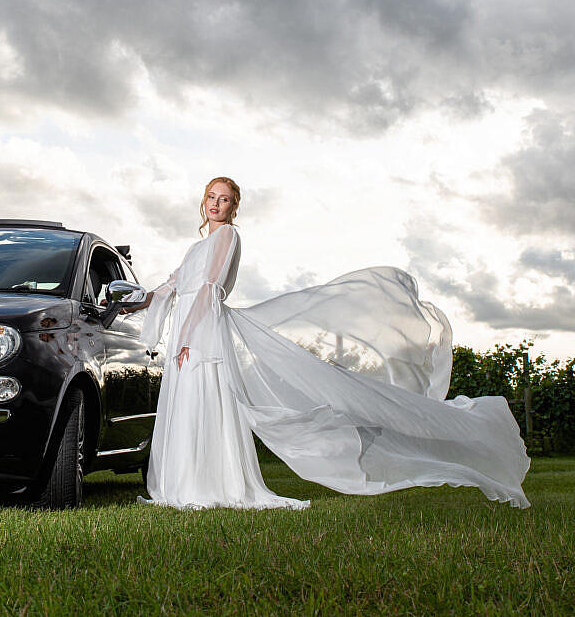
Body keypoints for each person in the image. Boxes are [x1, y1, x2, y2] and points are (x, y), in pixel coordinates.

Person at [123, 176, 531, 511]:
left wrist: (189, 336)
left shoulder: (228, 236)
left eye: (225, 200)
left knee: (206, 402)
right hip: (190, 330)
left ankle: (209, 487)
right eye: (211, 197)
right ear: (203, 202)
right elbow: (173, 285)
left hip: (204, 332)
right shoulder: (196, 245)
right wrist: (134, 303)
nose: (216, 204)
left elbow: (210, 288)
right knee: (188, 404)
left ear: (234, 208)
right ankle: (183, 485)